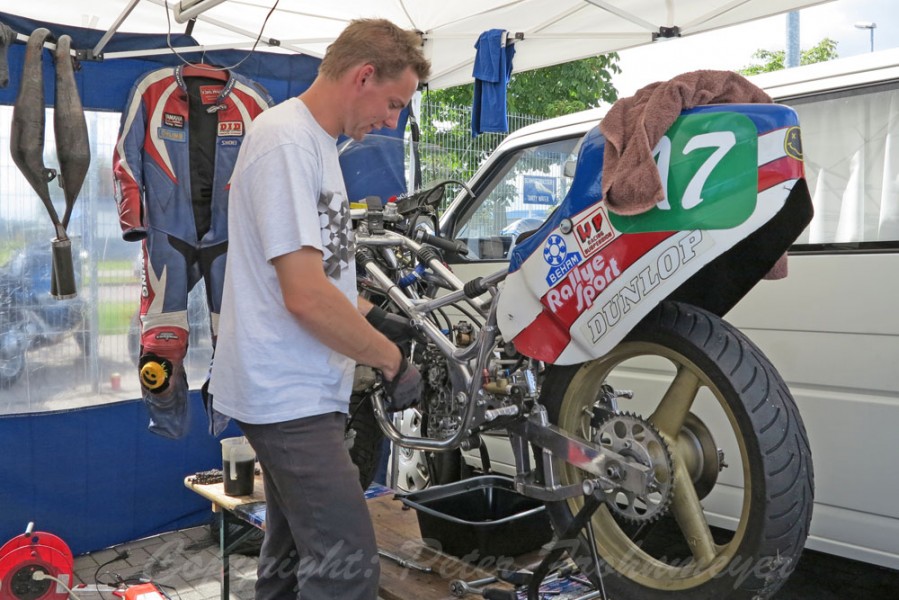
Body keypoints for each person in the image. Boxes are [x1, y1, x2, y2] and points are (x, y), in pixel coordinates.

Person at [208, 18, 430, 600]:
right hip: (285, 396)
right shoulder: (287, 143)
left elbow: (321, 274)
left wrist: (376, 316)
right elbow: (304, 296)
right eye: (392, 103)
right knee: (347, 566)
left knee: (288, 561)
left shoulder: (319, 146)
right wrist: (391, 360)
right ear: (363, 76)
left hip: (303, 390)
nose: (391, 120)